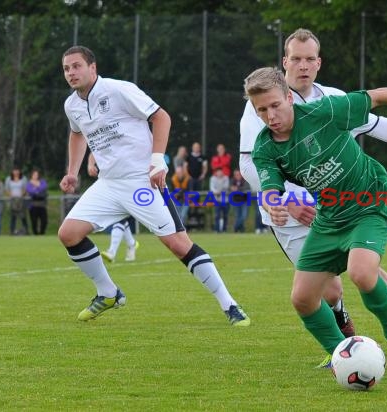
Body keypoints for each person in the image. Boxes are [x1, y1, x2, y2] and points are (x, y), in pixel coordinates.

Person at [240, 28, 387, 368]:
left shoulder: (327, 105)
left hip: (364, 202)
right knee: (306, 297)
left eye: (309, 59)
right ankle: (342, 355)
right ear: (285, 62)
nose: (269, 116)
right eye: (262, 111)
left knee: (362, 272)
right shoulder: (263, 137)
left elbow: (376, 108)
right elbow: (263, 172)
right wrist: (278, 200)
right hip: (322, 216)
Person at [58, 45, 250, 326]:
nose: (71, 73)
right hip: (108, 183)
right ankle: (108, 293)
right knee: (69, 233)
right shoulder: (71, 105)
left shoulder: (118, 90)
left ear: (92, 68)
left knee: (178, 244)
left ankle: (230, 304)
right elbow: (77, 134)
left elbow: (161, 117)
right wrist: (72, 171)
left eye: (76, 66)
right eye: (66, 69)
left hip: (140, 181)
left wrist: (157, 160)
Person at [5, 167, 28, 235]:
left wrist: (22, 194)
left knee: (23, 216)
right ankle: (12, 231)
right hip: (12, 200)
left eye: (17, 170)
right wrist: (11, 195)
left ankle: (26, 231)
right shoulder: (8, 179)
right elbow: (6, 189)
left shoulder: (23, 178)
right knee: (13, 217)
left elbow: (26, 188)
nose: (16, 172)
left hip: (21, 200)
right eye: (14, 170)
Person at [26, 169, 48, 235]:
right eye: (34, 175)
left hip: (42, 205)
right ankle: (35, 234)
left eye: (37, 175)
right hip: (33, 205)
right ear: (31, 175)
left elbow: (44, 187)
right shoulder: (29, 183)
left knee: (44, 221)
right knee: (34, 221)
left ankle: (42, 233)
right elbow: (30, 191)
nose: (35, 176)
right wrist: (38, 189)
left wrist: (36, 187)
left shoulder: (42, 181)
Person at [229, 168, 250, 233]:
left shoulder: (245, 180)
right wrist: (232, 188)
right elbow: (230, 188)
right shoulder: (232, 181)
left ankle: (235, 227)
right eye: (236, 174)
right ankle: (240, 230)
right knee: (238, 216)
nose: (237, 176)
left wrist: (237, 189)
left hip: (244, 201)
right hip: (235, 201)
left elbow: (247, 188)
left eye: (238, 174)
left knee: (244, 216)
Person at [210, 167, 230, 233]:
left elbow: (226, 187)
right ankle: (217, 229)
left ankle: (224, 229)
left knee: (225, 215)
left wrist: (218, 191)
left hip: (225, 200)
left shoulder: (226, 178)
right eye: (218, 172)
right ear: (216, 173)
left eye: (220, 172)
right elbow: (212, 188)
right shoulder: (213, 179)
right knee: (217, 215)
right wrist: (217, 192)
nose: (219, 173)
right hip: (217, 200)